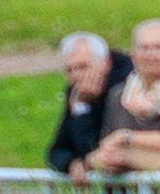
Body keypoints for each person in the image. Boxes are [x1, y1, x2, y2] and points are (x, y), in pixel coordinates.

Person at [83, 21, 160, 180]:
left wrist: (126, 139)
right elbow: (108, 145)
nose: (150, 54)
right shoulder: (118, 95)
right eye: (144, 48)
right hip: (128, 190)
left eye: (158, 48)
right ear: (133, 54)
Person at [47, 33, 128, 176]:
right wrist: (71, 163)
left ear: (105, 63)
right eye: (69, 70)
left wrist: (82, 109)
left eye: (83, 67)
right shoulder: (78, 93)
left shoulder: (124, 89)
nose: (76, 76)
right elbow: (57, 151)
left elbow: (96, 147)